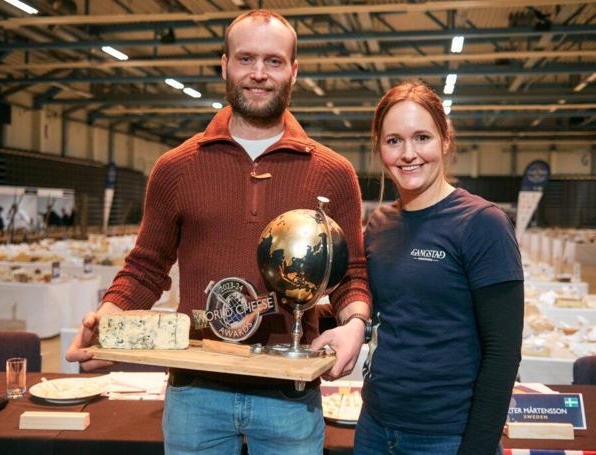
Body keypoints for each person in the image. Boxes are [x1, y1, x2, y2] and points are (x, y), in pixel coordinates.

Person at [67, 9, 371, 455]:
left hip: (288, 393)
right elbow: (147, 268)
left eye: (273, 61)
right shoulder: (176, 167)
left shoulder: (333, 172)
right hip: (196, 393)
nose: (259, 74)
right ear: (224, 64)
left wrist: (356, 324)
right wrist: (107, 318)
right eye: (246, 59)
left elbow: (352, 271)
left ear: (294, 71)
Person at [356, 81, 524, 455]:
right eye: (394, 141)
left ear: (445, 141)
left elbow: (503, 352)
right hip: (374, 426)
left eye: (422, 137)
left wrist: (476, 448)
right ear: (380, 148)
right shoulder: (381, 224)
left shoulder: (483, 223)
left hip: (446, 436)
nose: (408, 153)